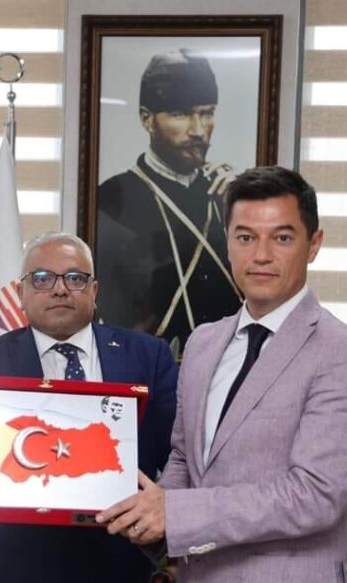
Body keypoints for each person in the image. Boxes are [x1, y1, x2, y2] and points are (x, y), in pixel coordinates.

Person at [98, 167, 347, 583]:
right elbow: (186, 456)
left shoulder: (343, 354)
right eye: (246, 237)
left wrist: (175, 513)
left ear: (314, 244)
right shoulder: (205, 342)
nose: (261, 255)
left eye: (282, 237)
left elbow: (315, 496)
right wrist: (149, 516)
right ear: (227, 242)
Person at [0, 232, 178, 583]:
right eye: (42, 278)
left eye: (75, 278)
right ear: (21, 292)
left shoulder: (149, 356)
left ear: (94, 290)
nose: (60, 289)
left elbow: (173, 456)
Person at [96, 49, 242, 356]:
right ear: (147, 119)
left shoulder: (230, 197)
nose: (198, 130)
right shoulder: (110, 200)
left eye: (207, 113)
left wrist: (240, 214)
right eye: (181, 114)